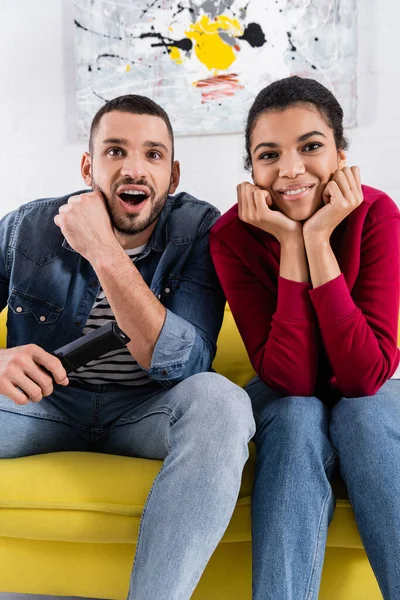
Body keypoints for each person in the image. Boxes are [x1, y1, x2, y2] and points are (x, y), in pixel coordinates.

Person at [0, 94, 255, 600]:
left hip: (147, 412)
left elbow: (183, 363)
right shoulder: (29, 227)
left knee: (223, 402)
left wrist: (101, 247)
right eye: (115, 151)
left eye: (153, 155)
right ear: (88, 165)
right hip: (41, 407)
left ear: (173, 175)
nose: (134, 168)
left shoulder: (200, 231)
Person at [210, 76, 400, 599]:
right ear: (252, 170)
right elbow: (290, 380)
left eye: (310, 147)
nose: (290, 169)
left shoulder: (377, 214)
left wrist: (318, 239)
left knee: (362, 415)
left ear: (340, 155)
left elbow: (364, 376)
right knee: (295, 416)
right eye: (269, 155)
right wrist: (290, 245)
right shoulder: (230, 236)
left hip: (371, 394)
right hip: (283, 394)